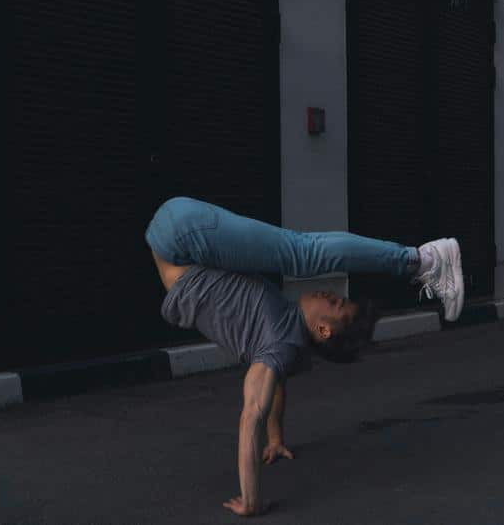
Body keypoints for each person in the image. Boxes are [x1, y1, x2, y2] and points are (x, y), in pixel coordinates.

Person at [145, 196, 464, 517]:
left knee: (302, 252)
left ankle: (422, 259)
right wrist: (276, 437)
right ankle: (420, 259)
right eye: (339, 299)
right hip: (180, 237)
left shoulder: (279, 347)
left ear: (324, 331)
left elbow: (253, 412)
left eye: (336, 305)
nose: (330, 295)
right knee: (299, 252)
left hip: (181, 236)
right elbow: (275, 384)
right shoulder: (284, 338)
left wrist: (251, 498)